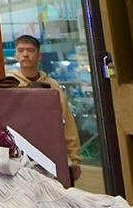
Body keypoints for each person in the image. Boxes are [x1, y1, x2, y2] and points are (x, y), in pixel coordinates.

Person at [9, 33, 82, 183]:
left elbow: (67, 121)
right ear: (16, 54)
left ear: (39, 56)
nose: (25, 54)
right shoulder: (8, 85)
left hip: (53, 153)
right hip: (22, 157)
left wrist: (73, 158)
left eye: (30, 50)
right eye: (20, 50)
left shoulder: (52, 85)